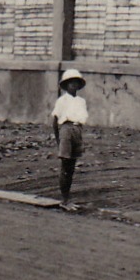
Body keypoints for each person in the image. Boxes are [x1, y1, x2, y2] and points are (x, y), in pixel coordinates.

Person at [52, 69, 88, 209]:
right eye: (71, 83)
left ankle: (68, 199)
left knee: (72, 166)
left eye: (76, 83)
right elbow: (55, 121)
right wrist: (58, 140)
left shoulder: (81, 101)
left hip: (77, 131)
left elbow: (81, 119)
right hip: (65, 130)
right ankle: (64, 200)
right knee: (65, 166)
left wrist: (79, 134)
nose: (74, 85)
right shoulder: (62, 101)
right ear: (66, 85)